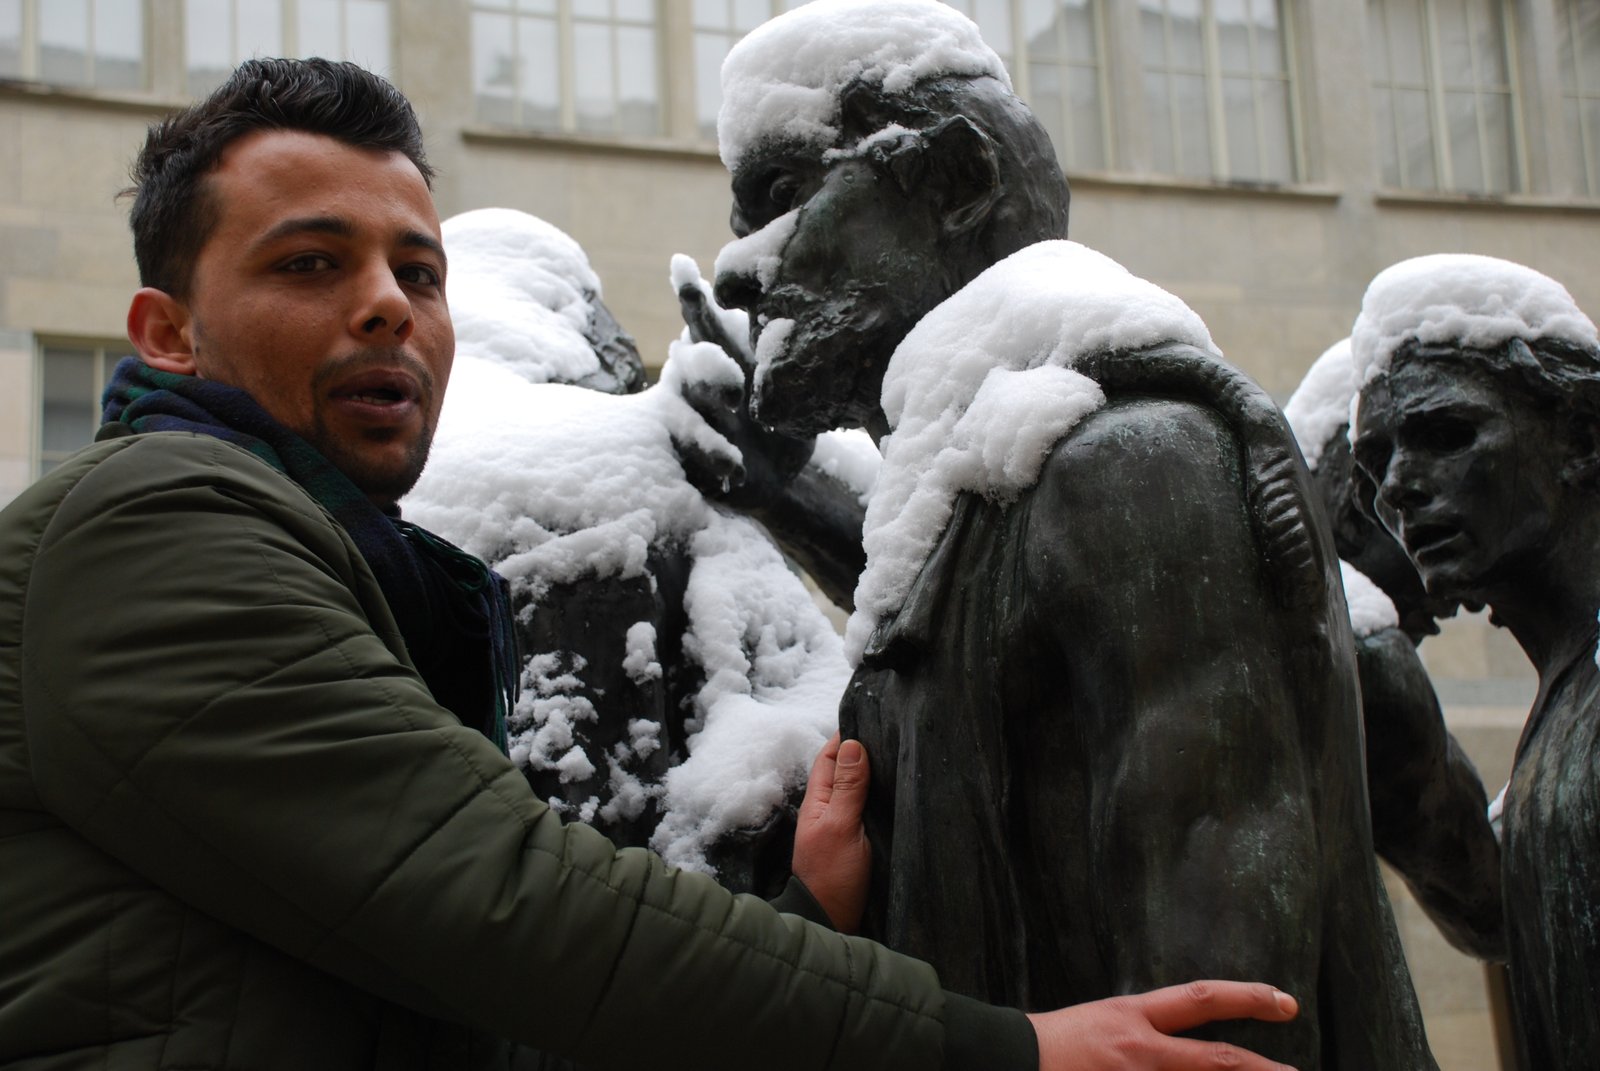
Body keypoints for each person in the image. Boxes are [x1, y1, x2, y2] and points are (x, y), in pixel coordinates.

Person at [0, 56, 1304, 1070]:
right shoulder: (153, 525)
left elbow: (493, 1007)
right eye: (309, 262)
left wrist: (803, 915)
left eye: (418, 271)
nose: (391, 304)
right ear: (166, 334)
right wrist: (997, 1047)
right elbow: (509, 905)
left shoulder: (350, 564)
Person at [702, 4, 1435, 1068]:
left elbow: (1220, 995)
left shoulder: (1135, 464)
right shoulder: (984, 492)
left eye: (779, 197)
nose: (737, 270)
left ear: (955, 181)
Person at [1349, 252, 1600, 1070]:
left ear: (1583, 436)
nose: (1397, 488)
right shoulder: (1567, 697)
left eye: (1447, 435)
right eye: (1376, 462)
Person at [1283, 339, 1504, 961]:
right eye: (1431, 536)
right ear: (1363, 508)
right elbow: (1496, 909)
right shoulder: (1364, 658)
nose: (1455, 599)